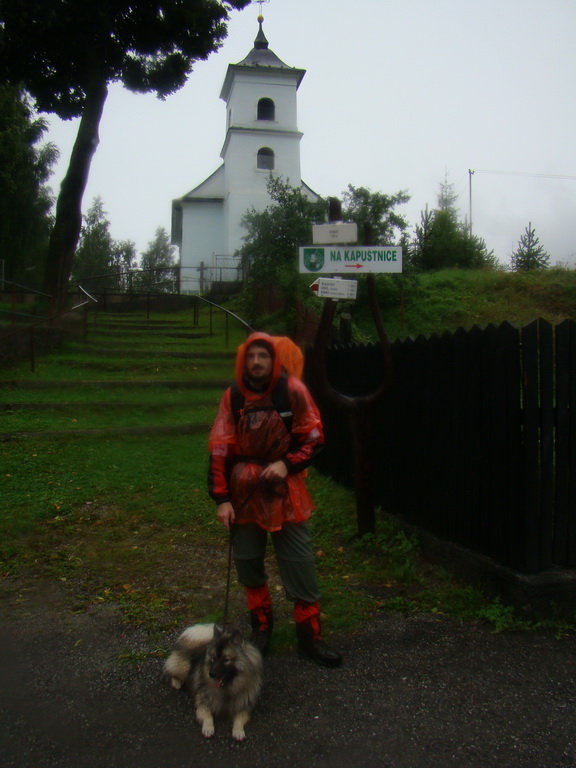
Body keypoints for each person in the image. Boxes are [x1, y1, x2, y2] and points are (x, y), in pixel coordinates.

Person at [208, 332, 342, 668]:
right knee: (248, 560)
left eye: (263, 356)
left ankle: (310, 636)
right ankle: (262, 628)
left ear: (274, 360)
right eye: (251, 356)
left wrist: (287, 463)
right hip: (244, 493)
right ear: (244, 360)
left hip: (285, 489)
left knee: (300, 561)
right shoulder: (234, 396)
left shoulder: (292, 391)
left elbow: (313, 436)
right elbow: (220, 447)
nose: (256, 362)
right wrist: (222, 499)